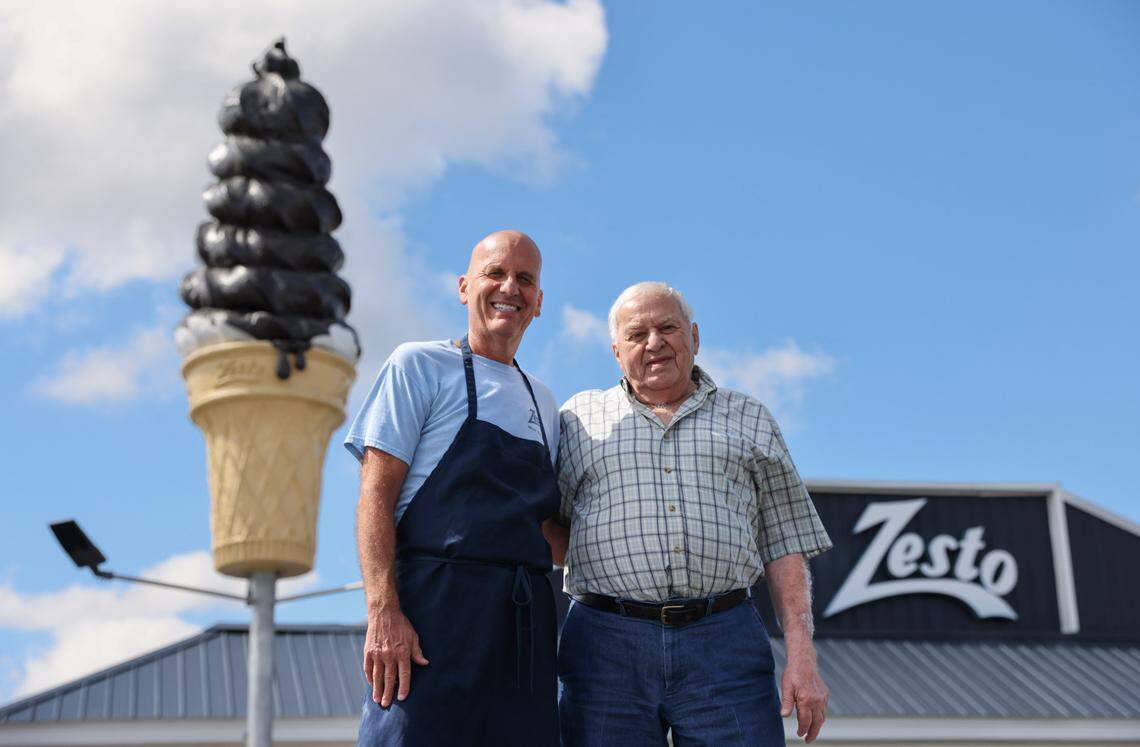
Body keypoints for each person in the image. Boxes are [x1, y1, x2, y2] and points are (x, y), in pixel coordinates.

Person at [556, 281, 833, 745]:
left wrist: (803, 656)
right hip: (605, 646)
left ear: (695, 336)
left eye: (668, 327)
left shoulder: (749, 416)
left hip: (724, 642)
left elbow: (784, 543)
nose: (654, 343)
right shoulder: (577, 420)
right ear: (616, 351)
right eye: (637, 334)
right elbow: (550, 529)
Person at [345, 230, 562, 746]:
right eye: (495, 273)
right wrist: (383, 611)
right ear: (465, 287)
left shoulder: (546, 404)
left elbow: (548, 530)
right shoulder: (418, 365)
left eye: (525, 279)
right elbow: (375, 495)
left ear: (538, 302)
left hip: (523, 631)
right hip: (432, 621)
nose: (510, 287)